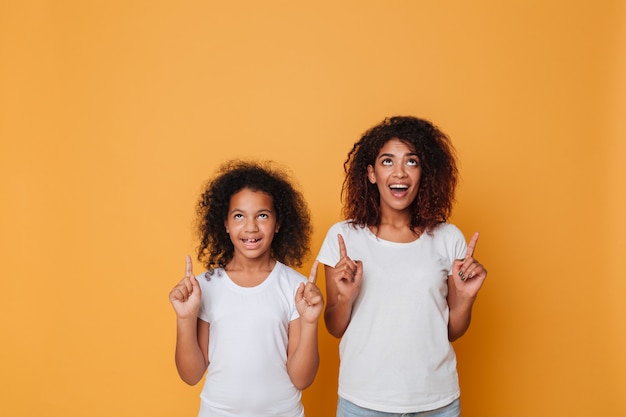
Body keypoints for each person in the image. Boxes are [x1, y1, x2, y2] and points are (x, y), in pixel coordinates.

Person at [317, 116, 488, 417]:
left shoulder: (448, 239)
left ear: (425, 172)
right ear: (371, 173)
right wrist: (345, 298)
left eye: (411, 162)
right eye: (387, 161)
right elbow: (334, 327)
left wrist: (466, 298)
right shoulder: (343, 237)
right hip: (363, 402)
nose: (399, 173)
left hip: (437, 403)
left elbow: (451, 331)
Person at [169, 160, 324, 417]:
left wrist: (309, 323)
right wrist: (185, 318)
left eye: (262, 215)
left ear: (278, 223)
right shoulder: (204, 287)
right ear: (226, 224)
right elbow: (191, 374)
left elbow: (302, 379)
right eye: (239, 216)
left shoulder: (296, 288)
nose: (251, 227)